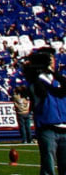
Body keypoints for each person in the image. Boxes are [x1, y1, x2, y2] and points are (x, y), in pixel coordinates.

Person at [24, 46, 66, 175]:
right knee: (49, 168)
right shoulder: (37, 81)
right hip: (47, 128)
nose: (51, 61)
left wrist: (54, 73)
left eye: (52, 58)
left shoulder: (58, 80)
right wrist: (35, 71)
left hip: (64, 128)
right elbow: (40, 92)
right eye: (48, 59)